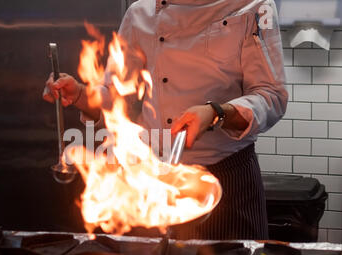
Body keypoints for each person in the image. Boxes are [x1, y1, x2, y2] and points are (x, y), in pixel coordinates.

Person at [43, 0, 288, 240]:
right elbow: (116, 98)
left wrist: (216, 112)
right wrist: (80, 95)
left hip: (228, 179)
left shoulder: (256, 7)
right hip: (152, 180)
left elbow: (271, 96)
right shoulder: (140, 13)